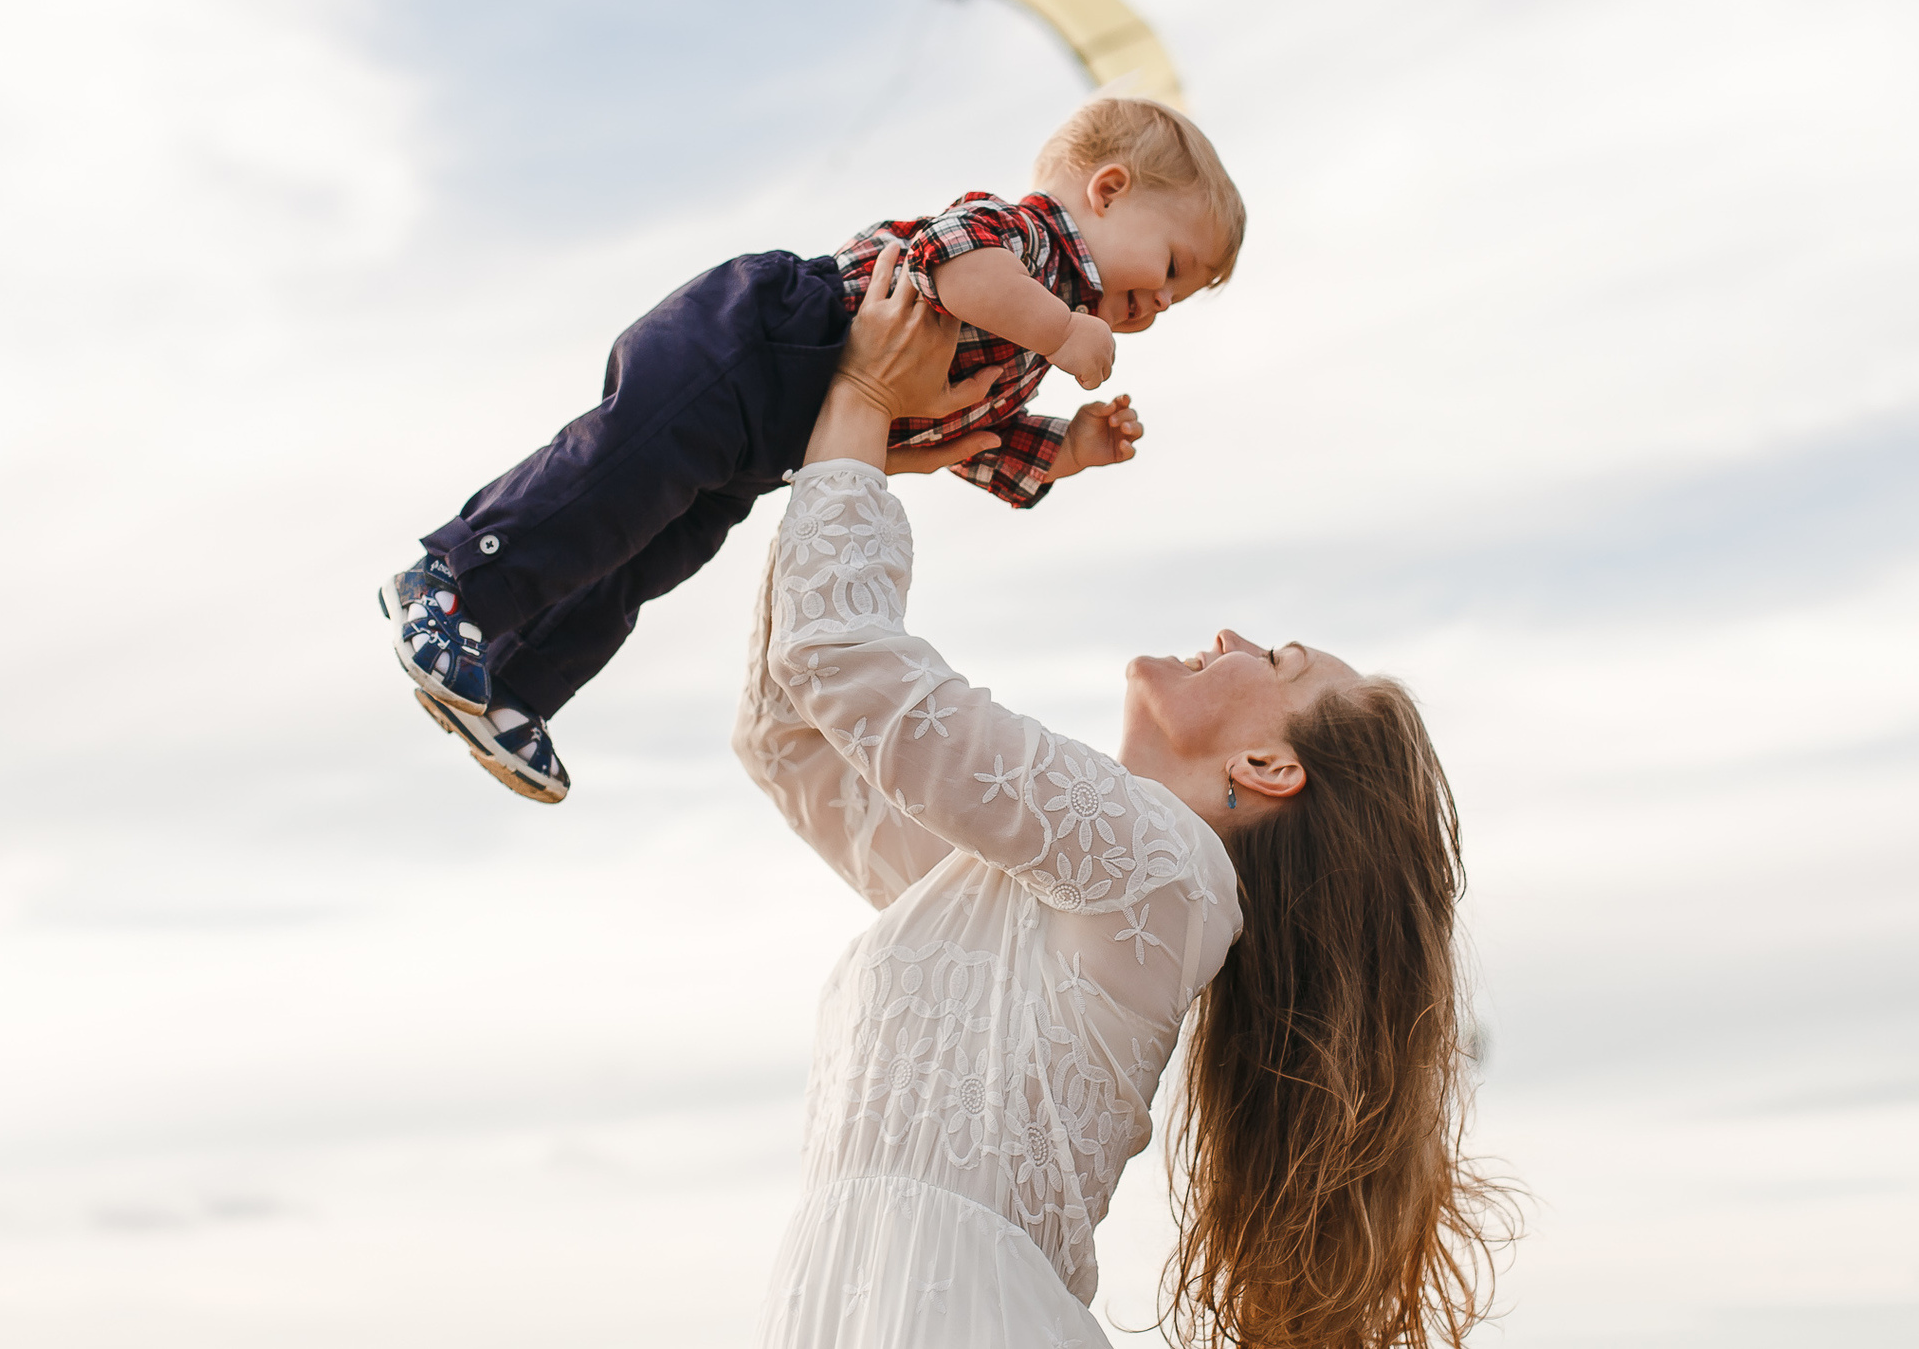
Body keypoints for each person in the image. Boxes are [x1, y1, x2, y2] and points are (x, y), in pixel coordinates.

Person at [735, 249, 1512, 1349]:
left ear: (1270, 768)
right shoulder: (1040, 882)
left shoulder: (1164, 868)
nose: (1232, 636)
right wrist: (864, 448)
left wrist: (861, 398)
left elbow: (844, 665)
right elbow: (789, 738)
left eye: (1277, 661)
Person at [379, 97, 1245, 803]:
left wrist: (1073, 446)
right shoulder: (1025, 241)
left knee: (651, 552)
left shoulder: (1024, 353)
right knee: (617, 476)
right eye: (1172, 266)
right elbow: (950, 263)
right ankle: (450, 581)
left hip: (773, 442)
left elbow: (974, 442)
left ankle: (514, 683)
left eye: (1181, 297)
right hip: (755, 343)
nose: (1163, 302)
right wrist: (1060, 328)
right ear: (1108, 190)